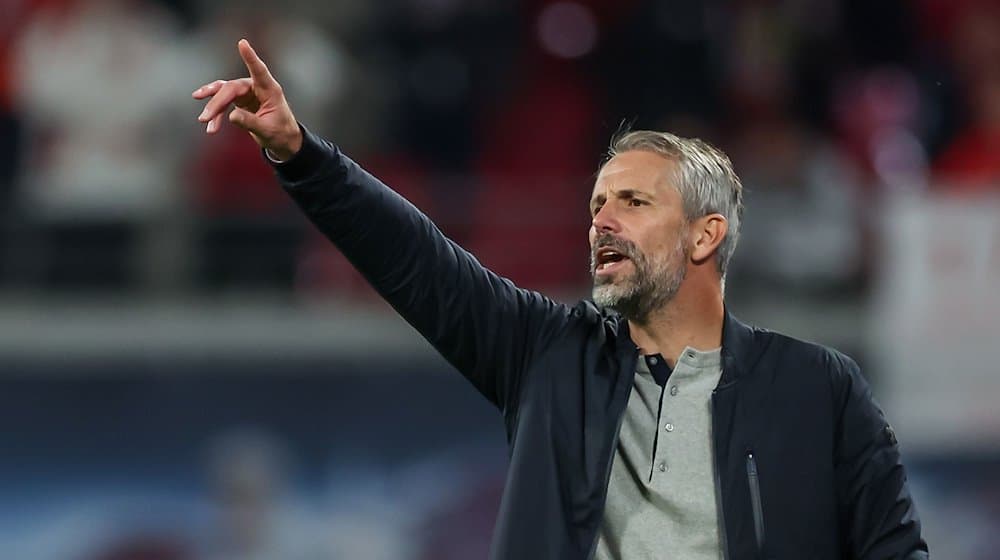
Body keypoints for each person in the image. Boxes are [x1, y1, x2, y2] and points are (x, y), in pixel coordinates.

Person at [193, 39, 929, 560]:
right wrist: (301, 154)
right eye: (597, 202)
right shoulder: (547, 356)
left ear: (706, 236)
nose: (602, 220)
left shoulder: (819, 389)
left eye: (633, 202)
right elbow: (414, 258)